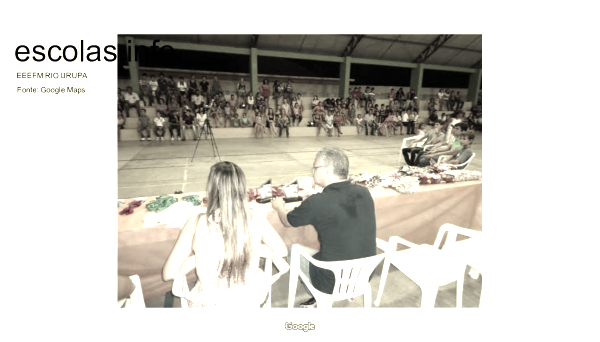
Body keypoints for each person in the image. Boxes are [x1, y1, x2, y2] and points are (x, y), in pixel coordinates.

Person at [162, 161, 288, 308]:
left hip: (210, 303)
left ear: (211, 189)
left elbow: (169, 274)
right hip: (250, 299)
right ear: (242, 188)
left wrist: (199, 258)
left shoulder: (195, 222)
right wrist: (248, 248)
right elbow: (281, 251)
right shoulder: (255, 217)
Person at [271, 147, 376, 308]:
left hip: (331, 280)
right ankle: (348, 291)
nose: (313, 171)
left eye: (315, 167)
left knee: (293, 250)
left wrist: (279, 207)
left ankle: (318, 296)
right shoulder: (364, 192)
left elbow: (287, 221)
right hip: (364, 274)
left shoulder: (318, 202)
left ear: (326, 171)